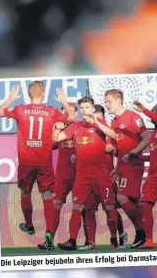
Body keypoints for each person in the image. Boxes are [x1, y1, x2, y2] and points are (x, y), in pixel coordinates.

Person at [0, 81, 75, 250]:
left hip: (26, 162)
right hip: (44, 162)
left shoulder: (20, 109)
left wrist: (10, 98)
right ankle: (48, 234)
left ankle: (30, 225)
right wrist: (63, 101)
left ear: (28, 95)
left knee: (25, 193)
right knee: (47, 197)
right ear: (45, 95)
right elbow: (72, 117)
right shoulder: (51, 111)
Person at [56, 97, 119, 251]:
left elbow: (114, 135)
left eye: (86, 108)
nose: (83, 110)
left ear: (92, 109)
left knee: (109, 207)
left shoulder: (101, 124)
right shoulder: (75, 126)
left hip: (101, 176)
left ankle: (113, 238)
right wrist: (57, 128)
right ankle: (72, 241)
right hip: (82, 177)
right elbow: (56, 138)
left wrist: (96, 121)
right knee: (77, 207)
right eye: (81, 108)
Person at [105, 89, 149, 247]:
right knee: (135, 202)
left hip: (134, 164)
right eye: (106, 101)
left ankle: (140, 232)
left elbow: (147, 138)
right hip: (123, 166)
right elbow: (120, 146)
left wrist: (133, 152)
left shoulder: (133, 117)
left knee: (122, 197)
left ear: (119, 101)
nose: (106, 104)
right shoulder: (114, 122)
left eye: (109, 101)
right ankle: (145, 231)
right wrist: (117, 167)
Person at [78, 105, 126, 250]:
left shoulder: (110, 132)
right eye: (93, 117)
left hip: (107, 176)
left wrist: (114, 149)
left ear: (103, 117)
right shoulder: (86, 131)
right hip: (90, 177)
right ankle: (90, 242)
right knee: (89, 209)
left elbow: (122, 151)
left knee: (110, 208)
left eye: (98, 117)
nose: (95, 120)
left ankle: (118, 236)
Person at [125, 101, 157, 249]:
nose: (153, 115)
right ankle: (149, 240)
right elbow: (152, 156)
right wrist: (137, 157)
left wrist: (144, 110)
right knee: (145, 206)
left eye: (155, 112)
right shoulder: (153, 135)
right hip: (152, 178)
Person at [51, 103, 78, 238]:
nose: (67, 115)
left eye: (70, 112)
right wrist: (56, 128)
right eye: (65, 112)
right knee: (55, 205)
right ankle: (48, 240)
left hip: (79, 175)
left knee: (82, 208)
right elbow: (49, 145)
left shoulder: (80, 127)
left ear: (75, 114)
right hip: (62, 175)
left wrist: (78, 155)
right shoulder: (58, 130)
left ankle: (88, 241)